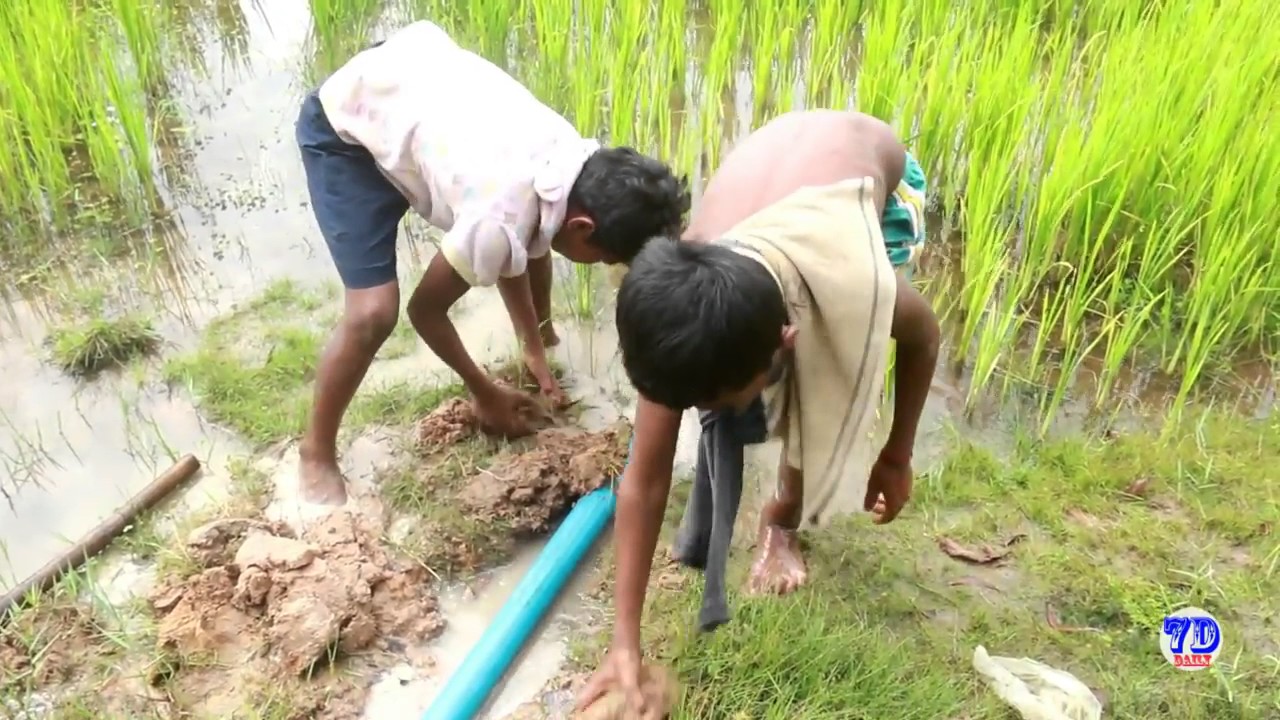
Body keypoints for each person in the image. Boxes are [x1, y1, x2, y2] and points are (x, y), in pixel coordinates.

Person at [577, 110, 939, 714]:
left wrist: (897, 455)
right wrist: (625, 643)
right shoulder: (678, 307)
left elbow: (924, 335)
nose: (704, 413)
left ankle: (782, 519)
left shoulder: (857, 281)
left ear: (785, 340)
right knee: (723, 380)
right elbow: (644, 480)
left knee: (830, 368)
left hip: (871, 184)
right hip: (776, 172)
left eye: (717, 403)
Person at [294, 21, 689, 505]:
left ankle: (540, 343)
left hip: (406, 89)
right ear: (582, 227)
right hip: (349, 128)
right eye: (604, 257)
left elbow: (527, 243)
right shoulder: (498, 216)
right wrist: (484, 392)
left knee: (510, 237)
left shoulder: (571, 165)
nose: (600, 263)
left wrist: (534, 344)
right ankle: (315, 453)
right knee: (373, 312)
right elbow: (426, 311)